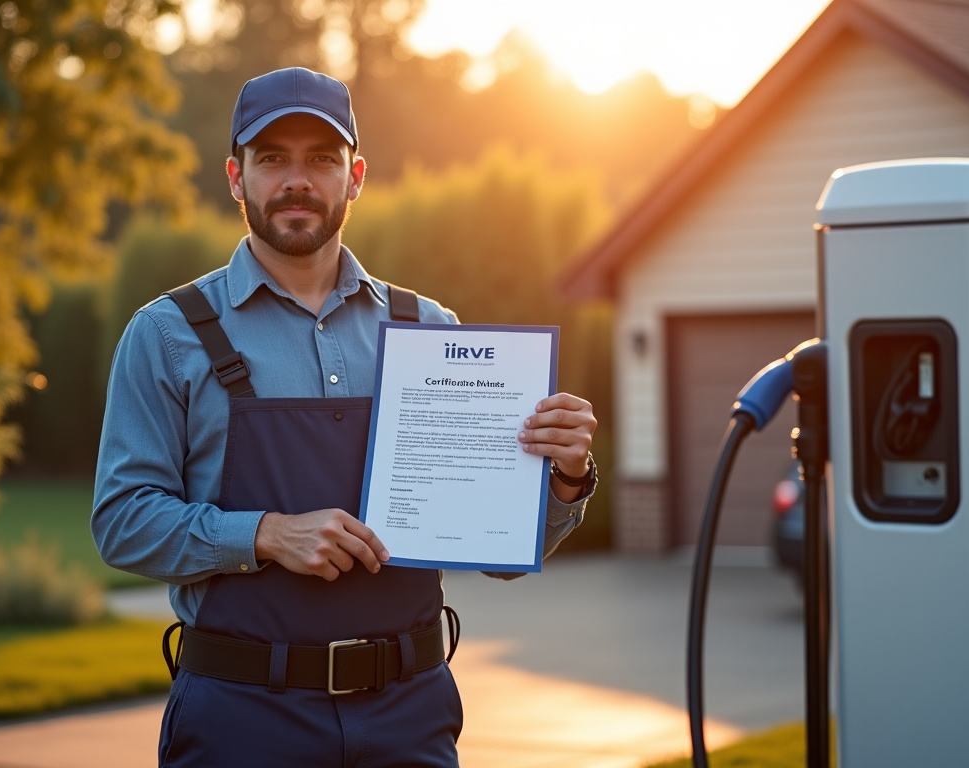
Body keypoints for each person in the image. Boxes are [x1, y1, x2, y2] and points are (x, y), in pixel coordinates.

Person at [92, 67, 598, 767]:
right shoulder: (167, 334)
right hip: (242, 718)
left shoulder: (431, 331)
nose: (297, 181)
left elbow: (501, 554)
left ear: (355, 177)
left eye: (323, 159)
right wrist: (265, 534)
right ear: (236, 177)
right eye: (273, 158)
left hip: (409, 716)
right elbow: (122, 522)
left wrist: (565, 476)